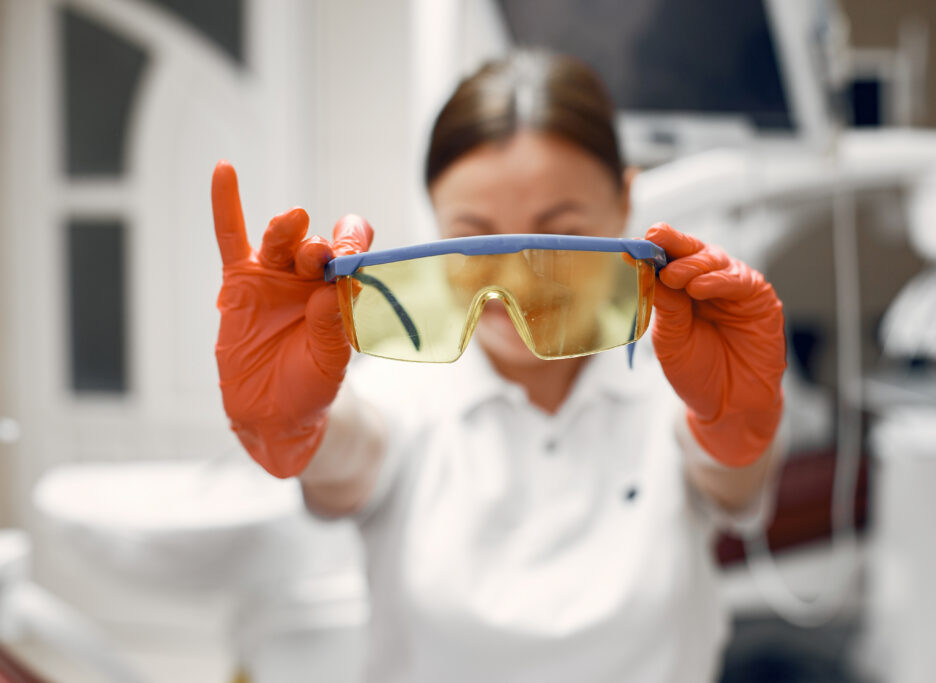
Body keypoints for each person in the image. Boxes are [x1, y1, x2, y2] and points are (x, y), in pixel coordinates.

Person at [211, 50, 786, 683]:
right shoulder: (401, 394)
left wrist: (734, 423)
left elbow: (733, 479)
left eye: (556, 238)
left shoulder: (681, 380)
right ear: (433, 220)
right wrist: (300, 426)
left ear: (625, 203)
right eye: (474, 237)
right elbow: (350, 453)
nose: (515, 282)